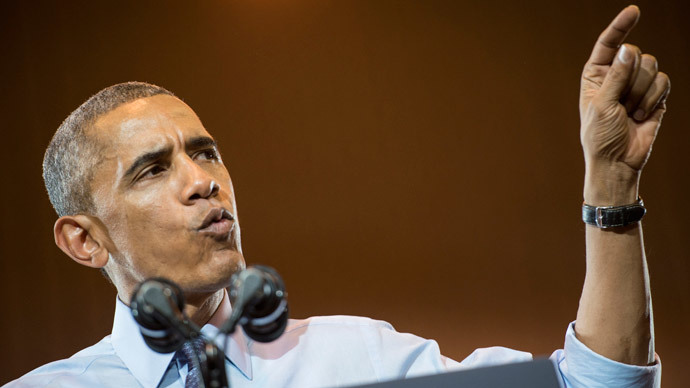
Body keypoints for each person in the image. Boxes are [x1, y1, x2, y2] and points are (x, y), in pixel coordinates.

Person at [4, 5, 670, 388]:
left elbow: (594, 385)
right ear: (84, 240)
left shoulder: (358, 360)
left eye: (205, 152)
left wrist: (612, 183)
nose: (202, 180)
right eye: (152, 170)